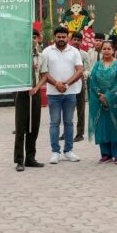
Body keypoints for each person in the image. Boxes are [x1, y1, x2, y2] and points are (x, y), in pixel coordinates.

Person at [41, 26, 84, 164]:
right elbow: (43, 72)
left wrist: (66, 84)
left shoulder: (74, 51)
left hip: (70, 93)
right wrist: (56, 84)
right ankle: (55, 152)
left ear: (67, 38)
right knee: (54, 123)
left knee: (69, 122)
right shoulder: (47, 51)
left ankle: (68, 151)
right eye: (58, 37)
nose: (61, 39)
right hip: (53, 94)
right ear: (55, 37)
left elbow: (80, 71)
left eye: (63, 37)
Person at [89, 41, 117, 164]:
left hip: (115, 100)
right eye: (104, 49)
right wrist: (99, 95)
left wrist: (108, 96)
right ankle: (106, 153)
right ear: (101, 50)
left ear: (113, 50)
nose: (106, 51)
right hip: (99, 100)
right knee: (102, 126)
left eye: (109, 49)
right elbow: (92, 81)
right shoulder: (97, 65)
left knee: (115, 126)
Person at [13, 30, 46, 171]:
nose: (32, 40)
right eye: (29, 37)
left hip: (35, 92)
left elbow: (44, 75)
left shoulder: (41, 57)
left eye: (34, 37)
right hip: (22, 93)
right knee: (21, 127)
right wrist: (23, 85)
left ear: (38, 39)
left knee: (34, 127)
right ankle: (19, 160)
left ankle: (30, 158)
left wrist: (36, 88)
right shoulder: (19, 57)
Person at [71, 32, 90, 143]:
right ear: (71, 40)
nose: (76, 42)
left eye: (78, 40)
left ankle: (80, 133)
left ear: (81, 42)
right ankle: (66, 132)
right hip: (68, 84)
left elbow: (87, 69)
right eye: (74, 39)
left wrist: (83, 75)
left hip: (80, 83)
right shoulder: (66, 53)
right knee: (67, 109)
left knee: (80, 109)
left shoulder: (84, 55)